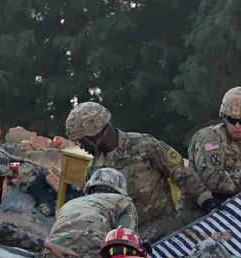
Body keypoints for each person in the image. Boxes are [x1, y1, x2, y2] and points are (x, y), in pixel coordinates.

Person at [64, 101, 205, 243]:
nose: (81, 147)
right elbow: (96, 211)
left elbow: (183, 174)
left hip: (167, 231)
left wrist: (205, 199)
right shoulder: (94, 170)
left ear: (95, 133)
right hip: (130, 242)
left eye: (82, 141)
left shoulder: (143, 145)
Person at [178, 86, 241, 223]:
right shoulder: (210, 139)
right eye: (232, 120)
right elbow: (211, 179)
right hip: (198, 215)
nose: (237, 126)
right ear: (224, 118)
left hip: (236, 215)